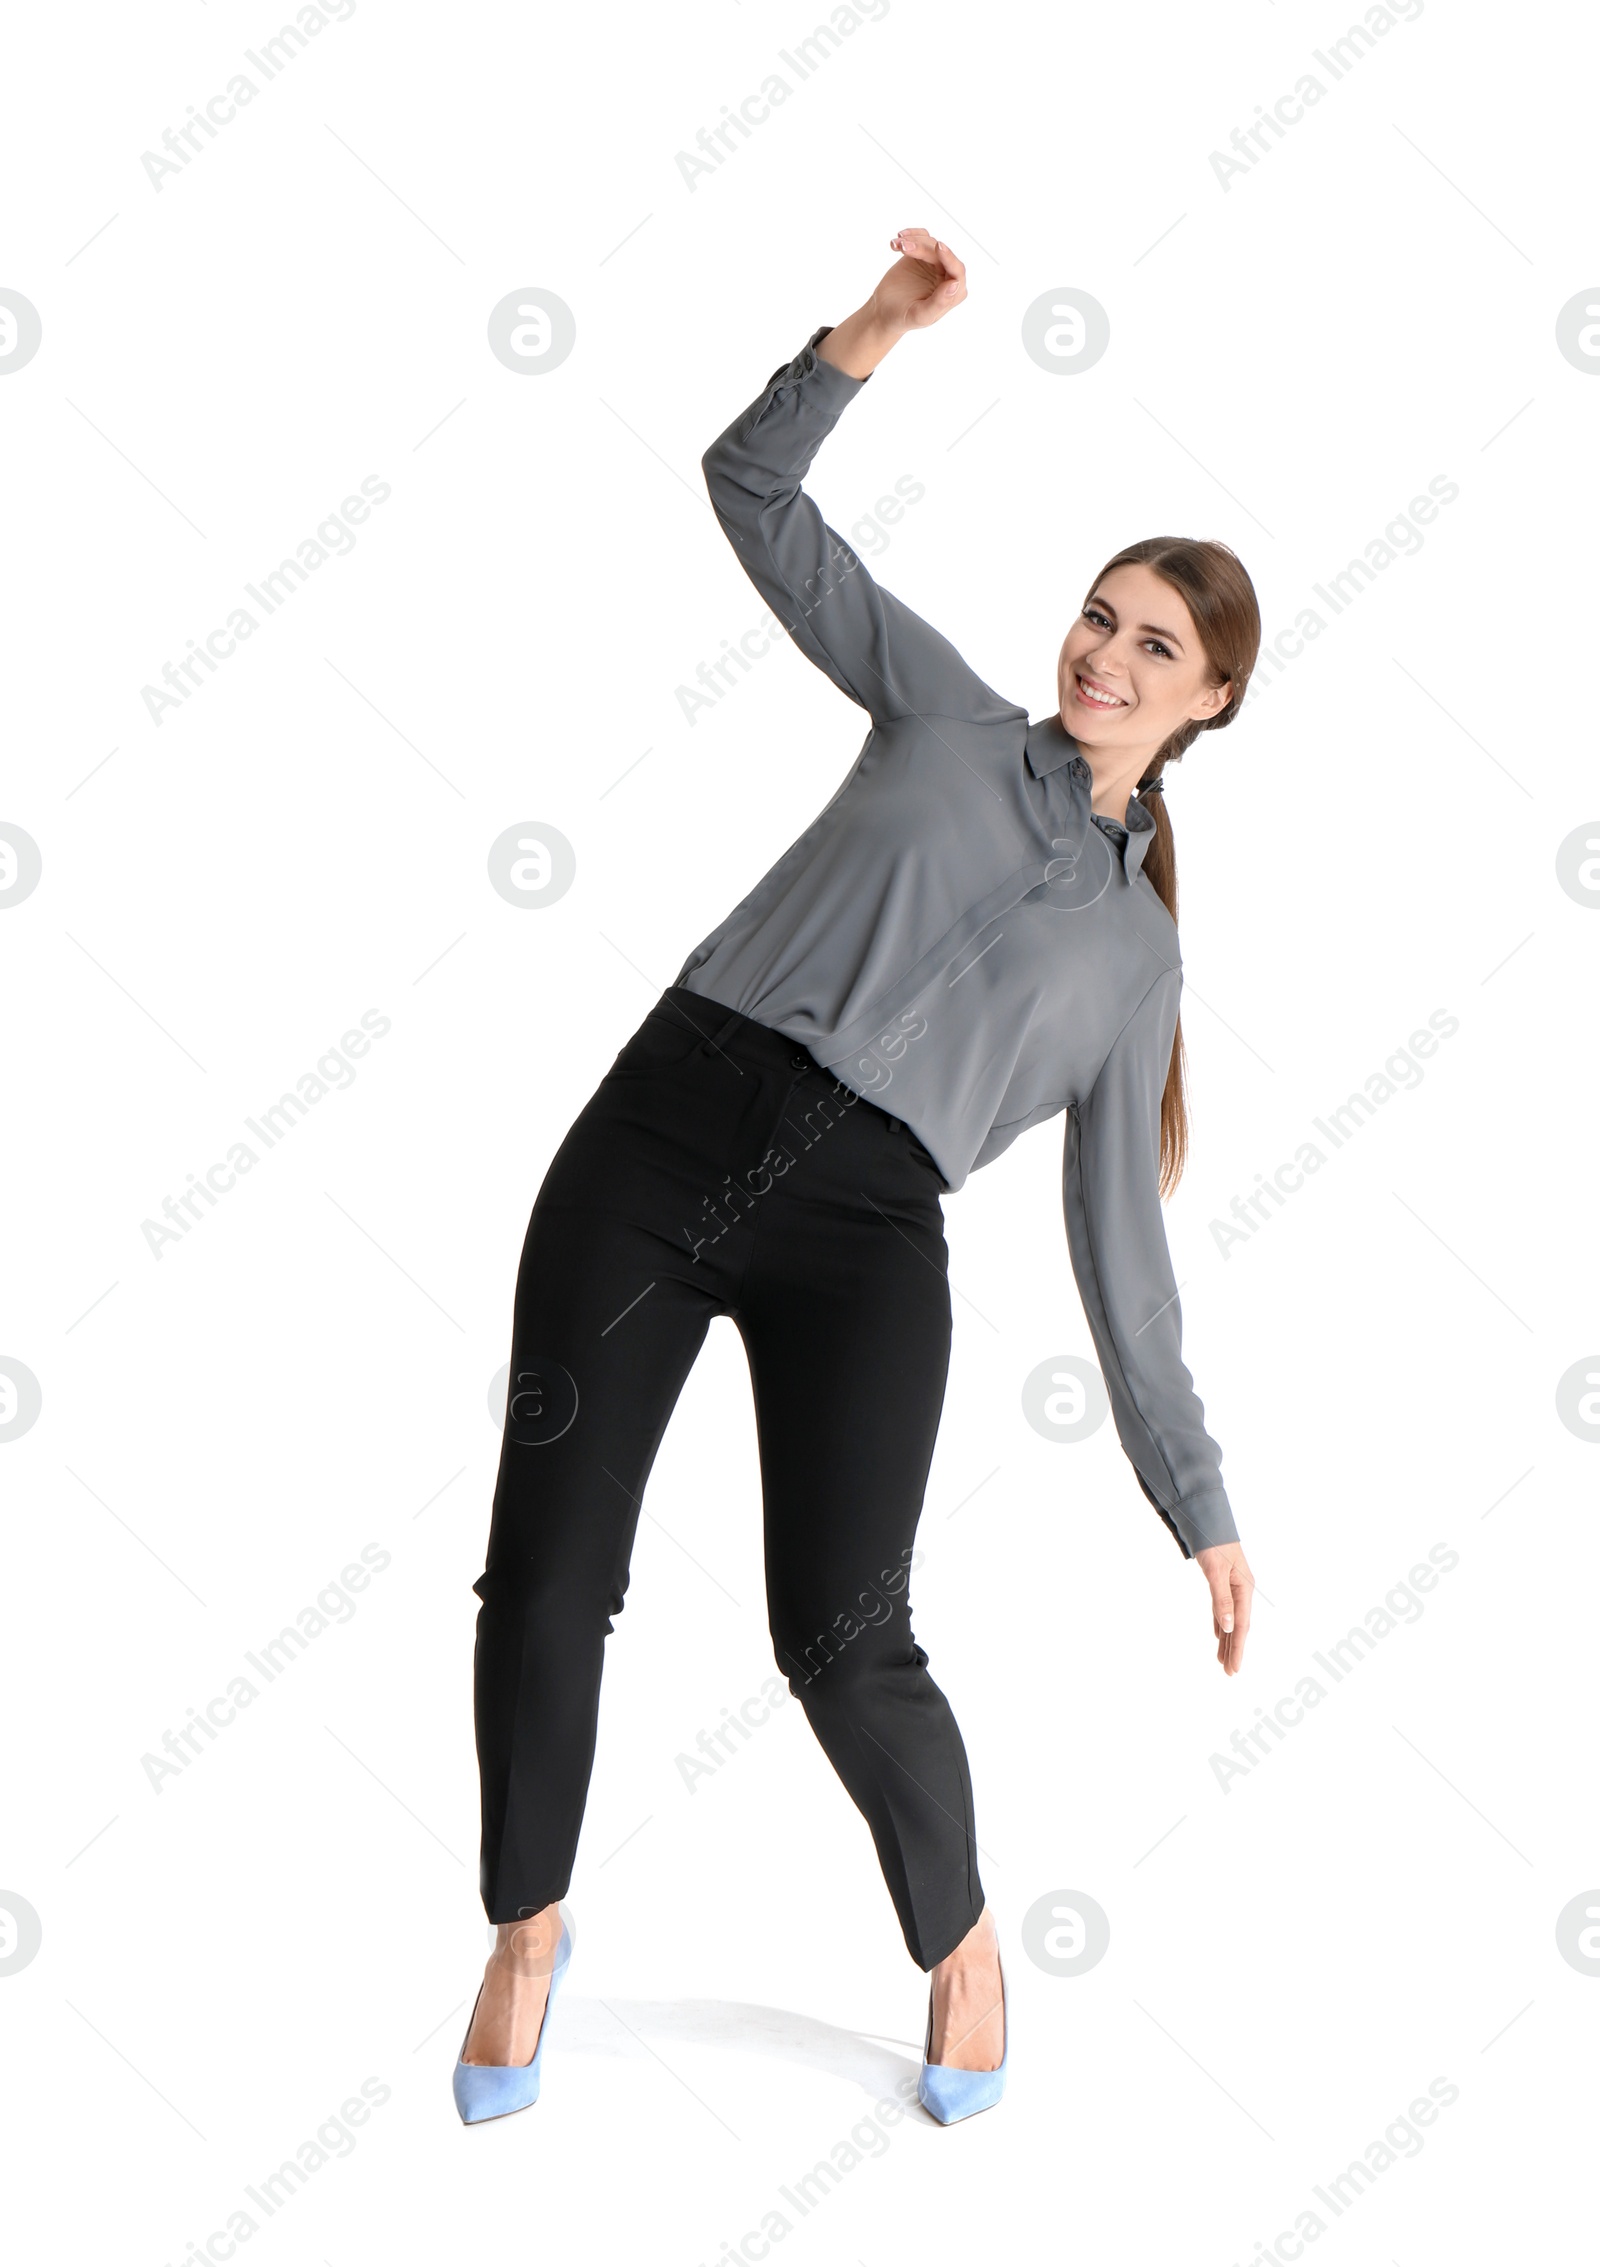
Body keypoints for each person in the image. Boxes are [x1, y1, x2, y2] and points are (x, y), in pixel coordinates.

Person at [452, 227, 1258, 2127]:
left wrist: (1198, 1501)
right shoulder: (941, 709)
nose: (1106, 654)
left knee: (838, 1632)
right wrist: (869, 338)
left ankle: (960, 1937)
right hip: (663, 1126)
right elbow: (753, 492)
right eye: (1101, 613)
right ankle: (525, 1929)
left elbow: (1119, 1254)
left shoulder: (1137, 963)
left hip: (870, 1235)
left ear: (1214, 703)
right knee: (548, 1571)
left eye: (1159, 644)